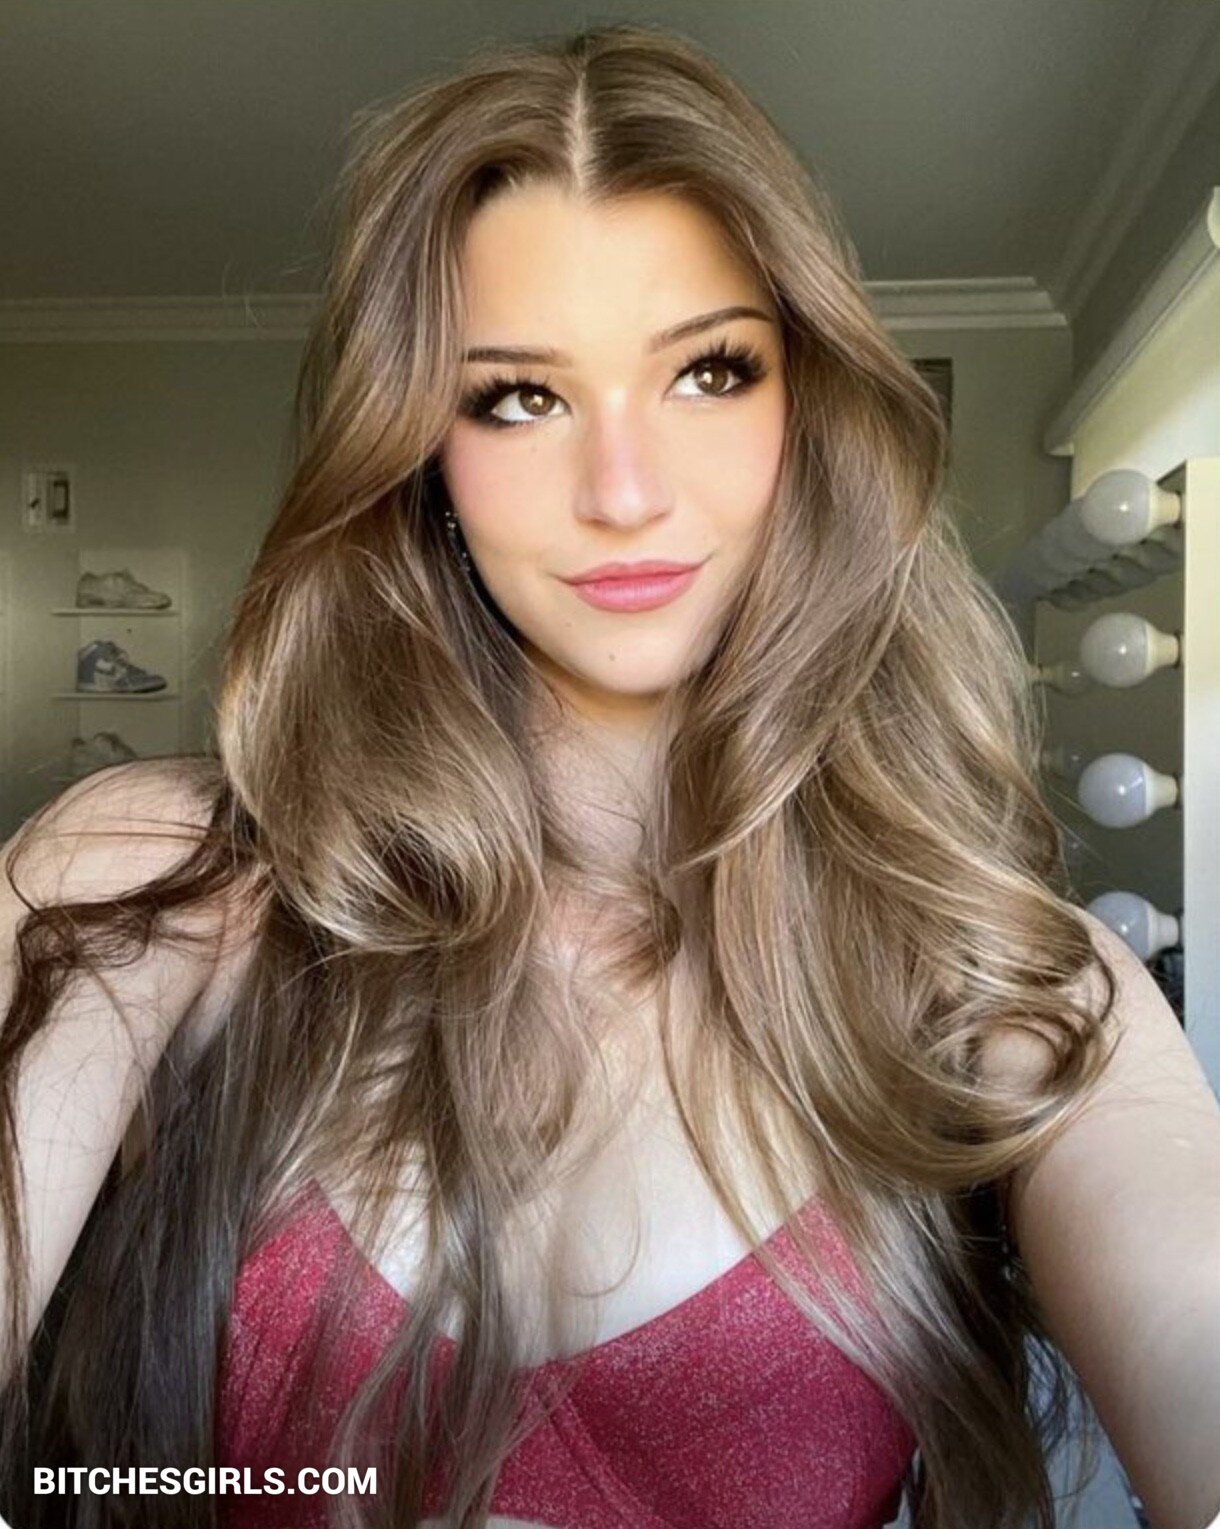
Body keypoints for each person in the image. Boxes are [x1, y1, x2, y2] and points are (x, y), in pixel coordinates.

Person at [3, 21, 1219, 1529]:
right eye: (519, 396)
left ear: (808, 409)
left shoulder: (1000, 985)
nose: (624, 490)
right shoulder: (153, 877)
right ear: (420, 451)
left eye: (711, 370)